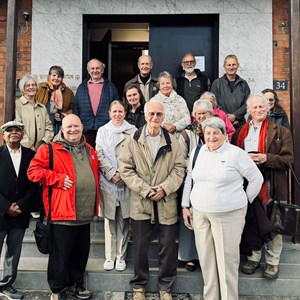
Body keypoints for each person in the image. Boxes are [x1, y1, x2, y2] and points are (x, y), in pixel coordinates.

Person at [182, 116, 263, 300]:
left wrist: (244, 201)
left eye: (216, 133)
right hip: (200, 214)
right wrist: (185, 205)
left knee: (227, 263)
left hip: (228, 215)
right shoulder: (197, 152)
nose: (211, 137)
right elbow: (190, 179)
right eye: (208, 132)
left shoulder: (235, 153)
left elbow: (256, 179)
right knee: (207, 261)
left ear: (225, 134)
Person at [27, 114, 100, 300]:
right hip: (62, 213)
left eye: (76, 126)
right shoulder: (49, 149)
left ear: (82, 127)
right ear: (62, 129)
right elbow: (33, 171)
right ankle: (57, 290)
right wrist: (57, 179)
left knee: (80, 254)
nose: (73, 130)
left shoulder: (89, 149)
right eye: (69, 127)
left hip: (84, 214)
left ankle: (76, 285)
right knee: (60, 256)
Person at [118, 100, 186, 300]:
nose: (155, 118)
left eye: (159, 114)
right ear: (145, 115)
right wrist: (146, 189)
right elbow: (125, 169)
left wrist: (164, 188)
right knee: (140, 246)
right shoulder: (133, 139)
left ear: (163, 117)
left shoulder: (173, 141)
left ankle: (166, 286)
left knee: (168, 245)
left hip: (166, 201)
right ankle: (139, 285)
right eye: (151, 114)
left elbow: (180, 168)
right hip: (141, 201)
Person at [231, 93, 294, 280]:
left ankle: (273, 262)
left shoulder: (282, 131)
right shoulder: (240, 132)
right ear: (249, 111)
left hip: (270, 182)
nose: (258, 110)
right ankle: (253, 257)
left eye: (262, 107)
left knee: (273, 223)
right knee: (251, 221)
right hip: (247, 183)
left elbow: (289, 161)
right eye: (255, 107)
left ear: (267, 109)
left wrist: (267, 158)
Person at [95, 100, 136, 272]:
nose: (117, 115)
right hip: (108, 181)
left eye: (120, 111)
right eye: (114, 112)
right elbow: (99, 154)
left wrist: (123, 175)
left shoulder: (133, 131)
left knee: (124, 220)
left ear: (125, 113)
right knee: (110, 220)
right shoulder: (103, 131)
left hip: (126, 181)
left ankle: (121, 256)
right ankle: (109, 257)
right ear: (109, 113)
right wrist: (112, 173)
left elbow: (135, 155)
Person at [0, 121, 39, 300]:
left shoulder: (31, 155)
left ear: (23, 135)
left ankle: (6, 284)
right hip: (0, 211)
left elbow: (34, 185)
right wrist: (6, 206)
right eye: (10, 130)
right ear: (3, 135)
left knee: (13, 251)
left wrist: (21, 205)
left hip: (20, 213)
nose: (14, 133)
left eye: (17, 130)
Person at [178, 99, 214, 272]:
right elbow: (180, 157)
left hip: (212, 180)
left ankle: (207, 255)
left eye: (204, 114)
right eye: (198, 114)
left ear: (211, 114)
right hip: (191, 179)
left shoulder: (217, 130)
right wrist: (195, 165)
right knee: (190, 218)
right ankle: (190, 256)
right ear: (194, 115)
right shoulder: (187, 133)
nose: (201, 117)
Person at [73, 58, 119, 148]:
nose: (95, 71)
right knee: (87, 156)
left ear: (102, 70)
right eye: (92, 68)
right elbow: (76, 107)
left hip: (105, 129)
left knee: (103, 157)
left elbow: (116, 107)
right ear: (88, 71)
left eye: (98, 68)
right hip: (86, 130)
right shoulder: (81, 87)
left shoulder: (111, 87)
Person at [210, 54, 250, 129]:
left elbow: (247, 104)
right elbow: (214, 103)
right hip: (221, 123)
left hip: (240, 123)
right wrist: (226, 117)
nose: (231, 67)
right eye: (229, 65)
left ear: (238, 65)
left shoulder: (243, 84)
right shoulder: (217, 83)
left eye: (234, 64)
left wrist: (235, 116)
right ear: (224, 66)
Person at [15, 75, 54, 151]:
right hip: (23, 149)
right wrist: (29, 145)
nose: (31, 87)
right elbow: (18, 127)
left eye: (33, 85)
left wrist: (44, 143)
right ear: (23, 88)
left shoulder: (42, 107)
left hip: (41, 150)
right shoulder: (18, 104)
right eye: (28, 85)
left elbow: (49, 127)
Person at [150, 71, 190, 139]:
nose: (165, 86)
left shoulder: (180, 99)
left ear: (172, 84)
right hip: (160, 136)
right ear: (159, 86)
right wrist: (164, 125)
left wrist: (175, 127)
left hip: (180, 137)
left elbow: (187, 119)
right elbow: (150, 118)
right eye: (162, 84)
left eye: (168, 83)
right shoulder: (154, 101)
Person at [36, 65, 74, 135]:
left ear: (62, 78)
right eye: (54, 75)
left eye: (59, 76)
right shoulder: (40, 88)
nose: (56, 78)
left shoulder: (69, 92)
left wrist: (65, 115)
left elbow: (72, 108)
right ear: (49, 76)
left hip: (59, 126)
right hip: (42, 124)